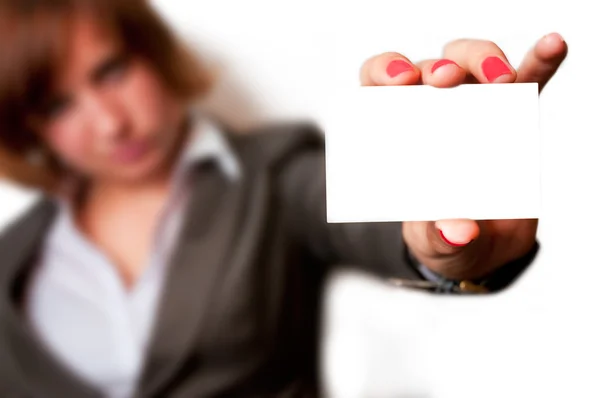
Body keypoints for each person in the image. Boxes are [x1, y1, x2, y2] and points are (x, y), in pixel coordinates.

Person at [0, 0, 567, 397]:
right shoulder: (13, 258)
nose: (108, 123)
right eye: (56, 106)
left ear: (152, 54)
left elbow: (378, 227)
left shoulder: (275, 172)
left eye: (112, 70)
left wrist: (456, 236)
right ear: (28, 131)